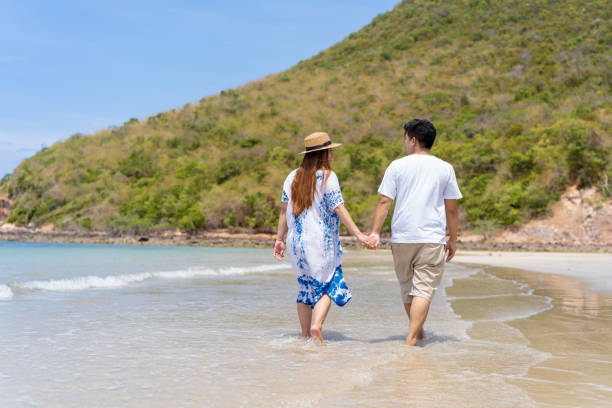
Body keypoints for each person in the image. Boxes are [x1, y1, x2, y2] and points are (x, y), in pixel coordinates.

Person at [273, 131, 374, 344]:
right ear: (325, 153)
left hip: (296, 243)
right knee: (329, 282)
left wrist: (279, 239)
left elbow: (284, 211)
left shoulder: (292, 176)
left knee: (305, 286)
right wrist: (359, 234)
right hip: (320, 242)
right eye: (331, 151)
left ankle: (304, 336)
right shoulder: (328, 176)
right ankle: (317, 325)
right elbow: (339, 208)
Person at [369, 119, 462, 346]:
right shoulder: (445, 168)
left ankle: (412, 337)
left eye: (405, 139)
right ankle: (415, 334)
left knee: (408, 288)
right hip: (432, 237)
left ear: (412, 140)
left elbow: (384, 201)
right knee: (423, 290)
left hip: (402, 237)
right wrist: (453, 239)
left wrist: (375, 232)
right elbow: (451, 208)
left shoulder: (397, 166)